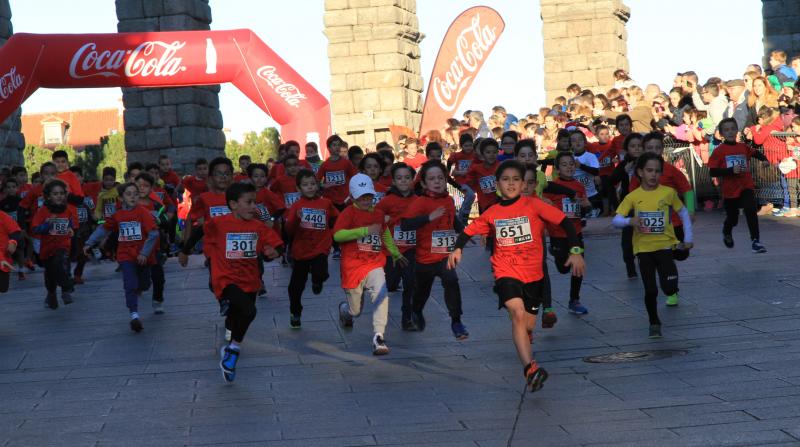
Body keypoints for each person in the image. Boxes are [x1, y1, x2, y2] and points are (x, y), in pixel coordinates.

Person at [448, 160, 585, 392]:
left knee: (528, 324)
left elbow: (565, 223)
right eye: (505, 179)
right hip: (505, 272)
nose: (510, 183)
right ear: (497, 184)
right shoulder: (493, 212)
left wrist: (575, 251)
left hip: (534, 275)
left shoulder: (534, 205)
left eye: (515, 179)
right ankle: (529, 368)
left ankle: (526, 335)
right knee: (517, 314)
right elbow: (469, 230)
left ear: (523, 184)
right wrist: (458, 248)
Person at [204, 182, 284, 382]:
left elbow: (277, 244)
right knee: (249, 311)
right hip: (225, 278)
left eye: (254, 202)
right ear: (233, 204)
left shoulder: (258, 226)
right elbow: (201, 232)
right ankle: (233, 350)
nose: (253, 207)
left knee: (237, 316)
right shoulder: (219, 223)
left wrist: (275, 252)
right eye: (248, 202)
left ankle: (230, 345)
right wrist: (187, 250)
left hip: (250, 280)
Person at [612, 153, 694, 338]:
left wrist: (687, 238)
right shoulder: (633, 196)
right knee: (650, 289)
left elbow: (683, 214)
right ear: (640, 172)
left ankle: (672, 290)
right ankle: (654, 321)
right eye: (649, 170)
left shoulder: (668, 193)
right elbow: (616, 220)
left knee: (670, 287)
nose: (653, 175)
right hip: (643, 250)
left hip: (666, 246)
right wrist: (629, 221)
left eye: (657, 171)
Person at [334, 173, 405, 355]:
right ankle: (346, 311)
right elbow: (338, 235)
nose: (366, 200)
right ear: (353, 196)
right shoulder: (348, 213)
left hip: (374, 263)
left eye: (369, 196)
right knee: (356, 310)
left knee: (382, 294)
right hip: (353, 267)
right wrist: (364, 230)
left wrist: (395, 253)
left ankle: (378, 336)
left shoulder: (379, 214)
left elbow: (385, 233)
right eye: (361, 197)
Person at [401, 161, 468, 339]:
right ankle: (416, 311)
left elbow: (453, 220)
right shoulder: (420, 202)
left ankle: (456, 321)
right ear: (423, 183)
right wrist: (428, 217)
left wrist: (465, 232)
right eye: (432, 179)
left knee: (451, 281)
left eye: (441, 178)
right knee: (422, 292)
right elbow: (405, 224)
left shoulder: (449, 200)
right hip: (424, 259)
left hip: (444, 256)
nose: (437, 182)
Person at [84, 182, 160, 332]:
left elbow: (153, 233)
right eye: (128, 194)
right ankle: (134, 315)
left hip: (142, 256)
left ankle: (142, 286)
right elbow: (103, 229)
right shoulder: (118, 215)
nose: (133, 197)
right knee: (129, 284)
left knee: (144, 284)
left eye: (135, 194)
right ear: (121, 198)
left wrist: (144, 253)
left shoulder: (143, 212)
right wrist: (89, 243)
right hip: (125, 255)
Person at [285, 169, 339, 328]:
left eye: (312, 184)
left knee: (321, 271)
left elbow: (336, 218)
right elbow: (289, 229)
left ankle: (317, 281)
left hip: (320, 247)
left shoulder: (325, 203)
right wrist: (296, 218)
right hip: (301, 251)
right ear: (298, 188)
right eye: (305, 185)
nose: (310, 187)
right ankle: (295, 312)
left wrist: (334, 232)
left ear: (317, 185)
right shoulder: (297, 206)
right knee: (296, 286)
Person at [709, 118, 771, 253]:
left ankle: (756, 240)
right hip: (730, 190)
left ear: (737, 130)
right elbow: (712, 171)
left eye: (732, 129)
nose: (730, 132)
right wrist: (730, 171)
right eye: (726, 130)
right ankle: (727, 230)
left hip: (746, 185)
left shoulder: (743, 147)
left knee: (750, 209)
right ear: (721, 134)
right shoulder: (719, 151)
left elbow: (755, 153)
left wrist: (765, 160)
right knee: (733, 218)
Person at [544, 152, 592, 315]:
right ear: (557, 169)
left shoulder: (579, 186)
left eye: (571, 164)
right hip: (558, 233)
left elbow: (586, 208)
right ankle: (555, 252)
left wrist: (586, 205)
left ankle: (574, 300)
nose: (569, 167)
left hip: (575, 233)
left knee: (579, 266)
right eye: (564, 165)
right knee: (563, 269)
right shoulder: (552, 187)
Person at [376, 162, 417, 330]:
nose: (403, 181)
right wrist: (382, 220)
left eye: (407, 178)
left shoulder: (418, 200)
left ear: (413, 180)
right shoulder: (386, 201)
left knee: (411, 283)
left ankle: (407, 318)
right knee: (391, 284)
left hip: (412, 250)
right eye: (399, 178)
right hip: (391, 251)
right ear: (393, 181)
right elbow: (374, 219)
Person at [31, 180, 78, 309]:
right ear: (48, 196)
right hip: (47, 249)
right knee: (50, 275)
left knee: (60, 262)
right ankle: (51, 294)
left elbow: (70, 225)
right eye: (55, 194)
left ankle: (66, 289)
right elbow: (35, 229)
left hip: (63, 245)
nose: (59, 196)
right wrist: (47, 224)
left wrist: (70, 230)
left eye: (62, 193)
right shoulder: (43, 211)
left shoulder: (67, 209)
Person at [608, 133, 645, 278]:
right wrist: (625, 170)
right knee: (628, 240)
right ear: (627, 149)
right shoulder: (625, 164)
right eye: (633, 146)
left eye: (639, 146)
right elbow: (611, 181)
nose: (636, 149)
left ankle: (646, 262)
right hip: (629, 207)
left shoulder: (649, 163)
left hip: (646, 205)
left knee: (645, 236)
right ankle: (630, 266)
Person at [317, 135, 356, 259]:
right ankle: (336, 249)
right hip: (331, 200)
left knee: (347, 224)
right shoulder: (325, 165)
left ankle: (347, 246)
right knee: (334, 225)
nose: (337, 147)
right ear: (328, 148)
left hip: (345, 199)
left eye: (339, 144)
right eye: (334, 145)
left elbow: (354, 177)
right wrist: (324, 185)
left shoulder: (346, 162)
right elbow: (317, 181)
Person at [465, 139, 500, 214]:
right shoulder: (475, 168)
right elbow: (469, 182)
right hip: (483, 205)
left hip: (500, 203)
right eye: (488, 152)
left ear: (498, 152)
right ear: (482, 153)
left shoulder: (501, 167)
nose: (491, 155)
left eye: (494, 152)